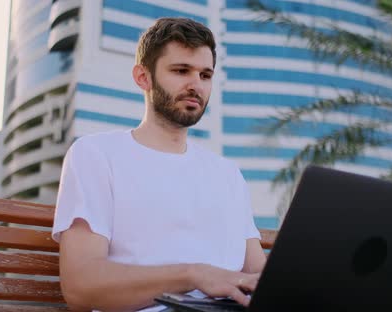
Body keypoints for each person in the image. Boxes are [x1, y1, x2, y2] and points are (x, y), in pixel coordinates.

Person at [51, 17, 266, 311]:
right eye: (181, 71)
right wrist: (193, 275)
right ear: (143, 77)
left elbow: (259, 278)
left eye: (205, 75)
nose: (195, 85)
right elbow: (82, 286)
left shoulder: (228, 175)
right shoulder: (96, 155)